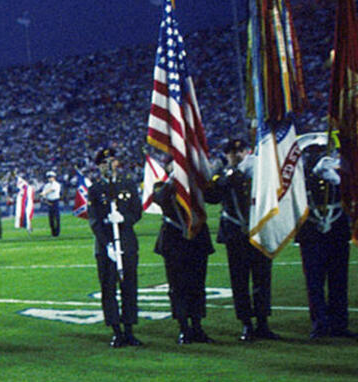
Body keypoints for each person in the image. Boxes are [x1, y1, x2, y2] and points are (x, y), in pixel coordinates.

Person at [202, 138, 278, 341]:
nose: (236, 155)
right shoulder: (225, 176)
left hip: (259, 230)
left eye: (240, 151)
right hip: (235, 233)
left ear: (248, 151)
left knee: (262, 278)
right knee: (240, 281)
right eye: (231, 153)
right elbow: (211, 197)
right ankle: (246, 324)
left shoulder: (260, 172)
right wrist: (216, 175)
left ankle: (263, 322)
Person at [296, 142, 354, 340]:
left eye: (321, 151)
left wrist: (339, 181)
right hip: (311, 234)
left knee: (339, 280)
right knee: (315, 282)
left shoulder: (340, 175)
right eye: (312, 152)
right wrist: (314, 177)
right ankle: (319, 324)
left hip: (337, 232)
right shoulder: (301, 177)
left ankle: (339, 323)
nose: (317, 155)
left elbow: (350, 194)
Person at [152, 164, 214, 344]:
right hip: (174, 241)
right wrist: (173, 180)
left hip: (197, 239)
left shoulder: (197, 181)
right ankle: (183, 328)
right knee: (178, 287)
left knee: (197, 285)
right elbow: (159, 198)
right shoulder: (163, 185)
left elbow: (213, 197)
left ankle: (197, 326)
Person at [87, 147, 142, 348]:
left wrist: (124, 219)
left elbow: (137, 211)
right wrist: (106, 243)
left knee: (129, 287)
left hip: (127, 243)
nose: (108, 166)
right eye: (103, 163)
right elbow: (93, 220)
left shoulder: (127, 184)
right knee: (108, 289)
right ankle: (116, 331)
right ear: (99, 166)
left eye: (111, 161)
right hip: (106, 246)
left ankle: (129, 329)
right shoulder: (95, 189)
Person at [41, 170, 62, 237]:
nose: (50, 178)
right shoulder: (46, 185)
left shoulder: (57, 184)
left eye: (51, 177)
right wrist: (44, 197)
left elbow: (52, 189)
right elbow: (44, 194)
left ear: (54, 177)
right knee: (51, 218)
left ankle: (57, 232)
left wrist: (44, 193)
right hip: (49, 202)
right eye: (49, 177)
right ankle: (53, 232)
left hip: (55, 201)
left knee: (57, 218)